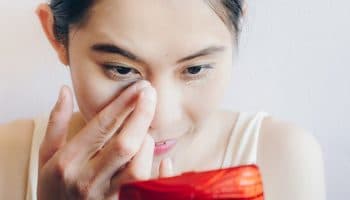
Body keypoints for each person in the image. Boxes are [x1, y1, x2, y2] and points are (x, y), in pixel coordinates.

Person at [0, 0, 326, 199]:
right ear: (57, 35)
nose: (161, 119)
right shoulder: (8, 158)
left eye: (195, 68)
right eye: (121, 69)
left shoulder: (282, 159)